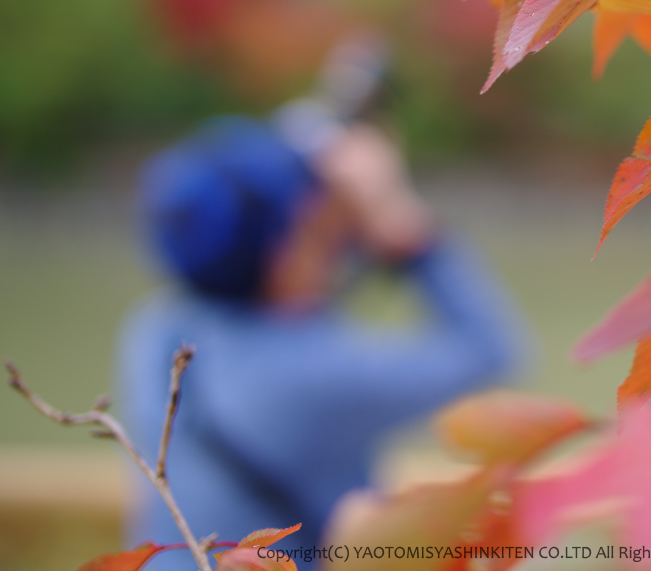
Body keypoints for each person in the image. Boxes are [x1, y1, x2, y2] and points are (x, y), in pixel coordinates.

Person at [117, 114, 528, 569]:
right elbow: (489, 348)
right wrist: (399, 221)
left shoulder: (156, 328)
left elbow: (294, 301)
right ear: (281, 256)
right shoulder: (308, 380)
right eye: (309, 222)